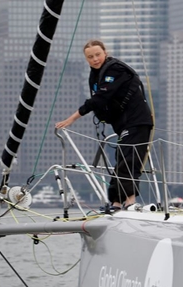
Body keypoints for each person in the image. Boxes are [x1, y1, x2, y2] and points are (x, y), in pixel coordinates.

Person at [55, 39, 153, 212]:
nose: (95, 59)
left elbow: (101, 97)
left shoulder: (114, 69)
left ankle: (130, 201)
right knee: (121, 159)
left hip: (138, 121)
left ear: (105, 53)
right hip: (123, 125)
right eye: (90, 57)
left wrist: (72, 119)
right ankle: (116, 202)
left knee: (129, 159)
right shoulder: (96, 74)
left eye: (98, 54)